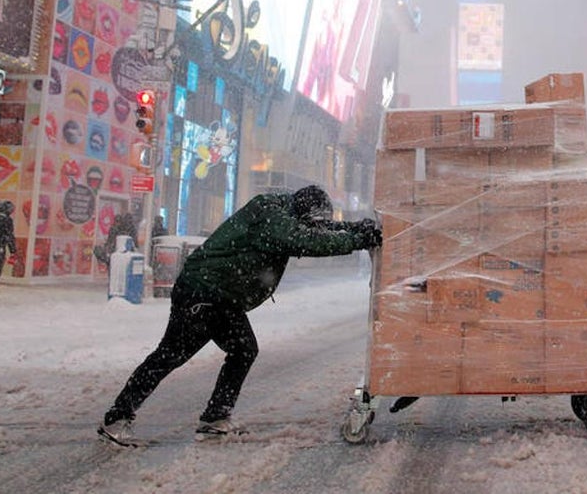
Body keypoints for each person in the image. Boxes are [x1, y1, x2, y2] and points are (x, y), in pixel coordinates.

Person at [97, 186, 382, 446]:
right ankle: (117, 419)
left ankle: (215, 417)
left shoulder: (284, 212)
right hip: (204, 292)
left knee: (241, 350)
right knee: (170, 355)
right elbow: (305, 239)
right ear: (300, 212)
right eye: (310, 221)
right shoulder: (272, 215)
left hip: (221, 296)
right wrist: (357, 240)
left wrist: (354, 227)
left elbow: (316, 228)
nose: (313, 226)